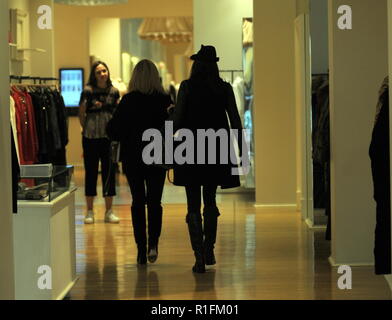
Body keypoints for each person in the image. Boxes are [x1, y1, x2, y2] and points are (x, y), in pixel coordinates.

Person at [171, 45, 245, 273]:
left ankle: (199, 257)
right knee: (210, 200)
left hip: (189, 148)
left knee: (193, 203)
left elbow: (177, 120)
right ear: (215, 65)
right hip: (216, 146)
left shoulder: (186, 87)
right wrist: (239, 149)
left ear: (196, 65)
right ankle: (209, 249)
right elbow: (234, 119)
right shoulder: (223, 88)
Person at [106, 59, 172, 265]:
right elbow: (171, 127)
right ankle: (153, 244)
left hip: (133, 157)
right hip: (158, 156)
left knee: (137, 201)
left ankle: (141, 250)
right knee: (154, 202)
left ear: (134, 77)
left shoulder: (128, 100)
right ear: (155, 76)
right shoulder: (164, 99)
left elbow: (113, 130)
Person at [79, 61, 120, 224]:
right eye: (98, 72)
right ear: (93, 75)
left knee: (109, 173)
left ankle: (109, 211)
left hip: (109, 138)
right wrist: (87, 128)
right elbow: (81, 113)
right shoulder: (87, 92)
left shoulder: (114, 92)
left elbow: (118, 114)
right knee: (91, 172)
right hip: (90, 137)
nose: (102, 74)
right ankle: (89, 211)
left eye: (104, 71)